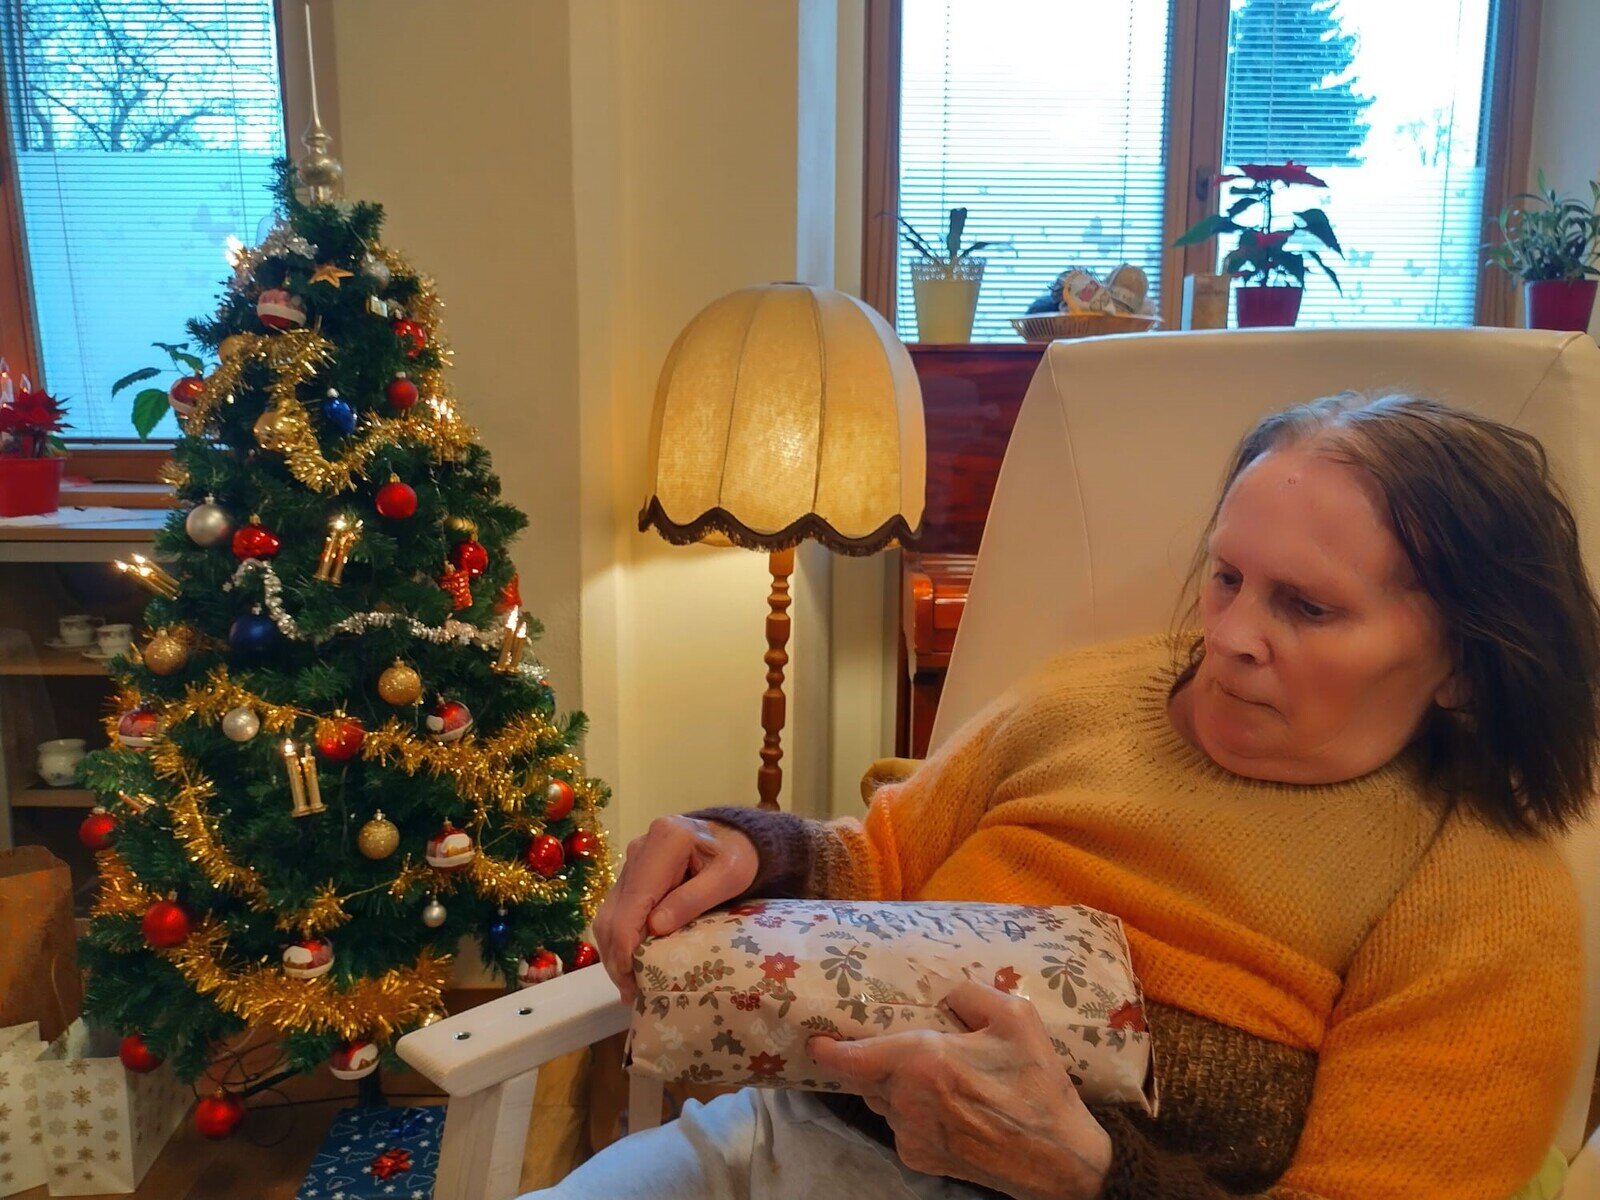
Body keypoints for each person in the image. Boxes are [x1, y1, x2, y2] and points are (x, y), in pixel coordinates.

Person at [534, 394, 1600, 1200]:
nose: (1230, 637)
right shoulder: (1089, 698)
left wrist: (1089, 1175)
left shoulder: (1483, 901)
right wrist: (750, 851)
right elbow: (882, 861)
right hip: (774, 1145)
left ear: (1463, 663)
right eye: (1227, 577)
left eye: (1308, 608)